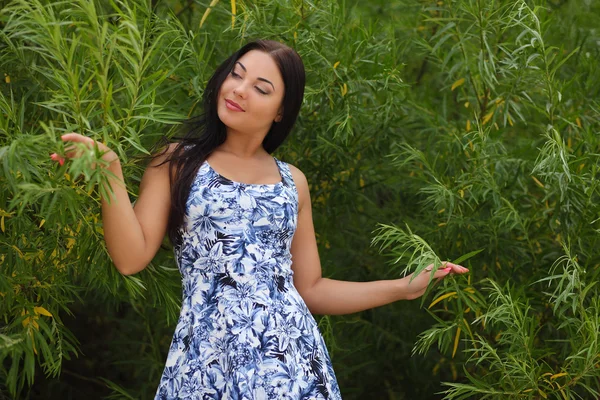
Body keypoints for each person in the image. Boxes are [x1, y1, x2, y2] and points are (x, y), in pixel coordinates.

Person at [51, 40, 468, 399]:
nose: (239, 90)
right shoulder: (176, 161)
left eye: (261, 87)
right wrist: (109, 174)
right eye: (237, 74)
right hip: (207, 360)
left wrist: (401, 287)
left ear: (281, 111)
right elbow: (129, 257)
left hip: (291, 363)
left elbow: (312, 289)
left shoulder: (293, 183)